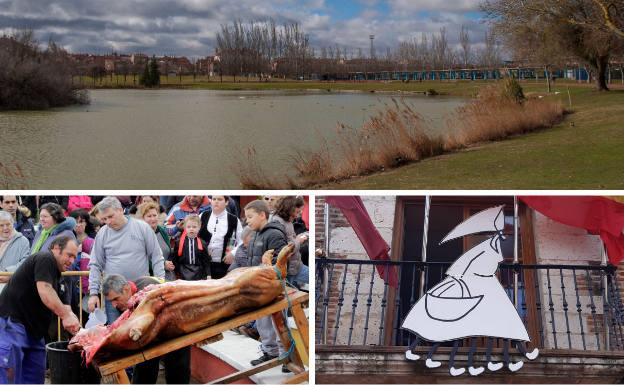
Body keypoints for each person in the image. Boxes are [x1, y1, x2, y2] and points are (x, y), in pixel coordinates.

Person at [0, 236, 80, 384]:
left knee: (35, 377)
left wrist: (80, 332)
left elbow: (67, 310)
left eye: (75, 257)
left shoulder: (60, 279)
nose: (72, 261)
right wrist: (65, 315)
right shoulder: (45, 258)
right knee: (9, 375)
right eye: (69, 255)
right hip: (12, 323)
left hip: (35, 333)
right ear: (56, 248)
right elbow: (45, 290)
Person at [87, 197, 165, 324]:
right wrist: (93, 293)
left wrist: (160, 284)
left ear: (120, 210)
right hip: (113, 295)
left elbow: (156, 256)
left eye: (110, 216)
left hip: (140, 292)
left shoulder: (142, 227)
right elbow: (95, 265)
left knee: (140, 330)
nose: (108, 222)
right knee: (114, 332)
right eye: (104, 219)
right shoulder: (102, 233)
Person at [101, 274, 190, 384]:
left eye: (116, 299)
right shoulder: (124, 300)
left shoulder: (148, 289)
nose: (114, 305)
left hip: (177, 325)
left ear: (126, 289)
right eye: (111, 301)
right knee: (144, 366)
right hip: (152, 331)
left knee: (177, 370)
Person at [244, 200, 289, 370]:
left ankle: (286, 354)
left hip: (273, 287)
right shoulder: (255, 234)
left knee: (279, 322)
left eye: (250, 217)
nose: (247, 221)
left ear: (262, 215)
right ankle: (270, 351)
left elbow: (281, 261)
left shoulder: (274, 235)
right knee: (263, 322)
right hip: (259, 287)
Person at [199, 195, 242, 279]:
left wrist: (233, 253)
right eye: (214, 199)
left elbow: (242, 241)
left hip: (224, 265)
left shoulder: (234, 220)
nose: (216, 201)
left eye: (219, 199)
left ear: (226, 202)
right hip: (202, 264)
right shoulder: (202, 216)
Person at [271, 196, 309, 289]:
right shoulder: (279, 223)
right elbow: (286, 249)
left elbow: (290, 240)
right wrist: (299, 240)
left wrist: (297, 239)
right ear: (290, 208)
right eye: (297, 211)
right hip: (289, 269)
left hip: (295, 266)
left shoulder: (287, 221)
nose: (298, 215)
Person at [139, 202, 175, 281]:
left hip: (168, 276)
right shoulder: (140, 235)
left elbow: (168, 252)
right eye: (149, 216)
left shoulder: (162, 231)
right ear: (143, 218)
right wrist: (163, 265)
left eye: (154, 215)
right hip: (149, 278)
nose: (153, 218)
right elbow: (140, 260)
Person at [170, 215, 210, 281]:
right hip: (182, 273)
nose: (191, 229)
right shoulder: (178, 242)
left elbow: (206, 261)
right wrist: (176, 272)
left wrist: (208, 274)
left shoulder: (203, 243)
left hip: (199, 274)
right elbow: (175, 259)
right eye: (189, 227)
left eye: (194, 227)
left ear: (199, 227)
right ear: (185, 228)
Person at [0, 211, 30, 292]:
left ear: (13, 224)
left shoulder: (23, 241)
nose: (5, 228)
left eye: (8, 224)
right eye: (1, 225)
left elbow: (25, 262)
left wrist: (7, 273)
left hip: (13, 287)